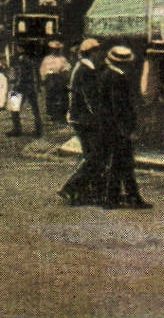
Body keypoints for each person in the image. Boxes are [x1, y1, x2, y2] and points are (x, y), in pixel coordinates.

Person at [97, 45, 150, 208]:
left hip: (109, 126)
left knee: (123, 163)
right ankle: (115, 199)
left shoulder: (107, 74)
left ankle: (128, 197)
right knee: (121, 163)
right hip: (118, 127)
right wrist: (126, 129)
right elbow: (119, 106)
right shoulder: (118, 78)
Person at [58, 39, 104, 205]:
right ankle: (71, 188)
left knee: (92, 155)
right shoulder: (85, 70)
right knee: (93, 156)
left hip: (79, 117)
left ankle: (88, 191)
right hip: (84, 118)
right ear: (91, 53)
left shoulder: (81, 67)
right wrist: (98, 115)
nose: (99, 55)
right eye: (97, 51)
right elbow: (89, 97)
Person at [8, 44, 43, 137]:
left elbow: (19, 74)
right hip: (31, 86)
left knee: (14, 107)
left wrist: (16, 85)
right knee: (35, 108)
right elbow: (37, 73)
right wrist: (38, 85)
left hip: (21, 86)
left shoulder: (20, 59)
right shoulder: (32, 59)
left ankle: (17, 129)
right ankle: (38, 129)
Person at [40, 40, 71, 123]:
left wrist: (65, 78)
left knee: (61, 97)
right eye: (53, 49)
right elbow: (43, 70)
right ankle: (51, 115)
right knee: (50, 97)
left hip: (59, 78)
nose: (55, 50)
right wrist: (43, 80)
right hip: (50, 78)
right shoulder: (47, 59)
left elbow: (66, 69)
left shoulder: (62, 59)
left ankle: (61, 116)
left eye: (57, 49)